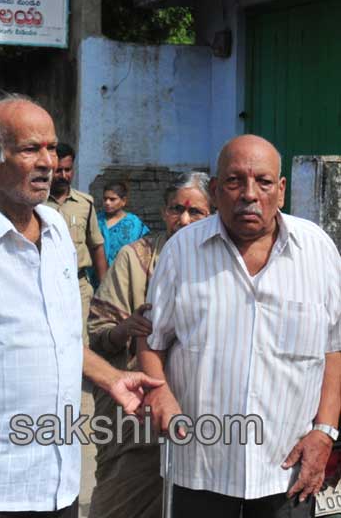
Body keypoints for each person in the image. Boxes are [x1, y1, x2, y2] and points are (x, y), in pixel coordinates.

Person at [0, 93, 164, 517]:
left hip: (58, 482)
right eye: (30, 149)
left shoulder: (59, 231)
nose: (48, 161)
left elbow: (59, 339)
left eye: (51, 147)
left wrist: (112, 379)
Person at [139, 135, 341, 517]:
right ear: (215, 190)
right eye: (234, 181)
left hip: (288, 472)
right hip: (200, 469)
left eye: (263, 182)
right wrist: (160, 393)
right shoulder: (181, 251)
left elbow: (333, 349)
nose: (249, 194)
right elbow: (152, 341)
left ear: (281, 190)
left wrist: (325, 432)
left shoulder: (318, 250)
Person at [85, 171, 211, 518]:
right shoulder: (135, 258)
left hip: (200, 413)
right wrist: (125, 329)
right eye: (176, 209)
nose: (183, 220)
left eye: (195, 212)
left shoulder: (222, 264)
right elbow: (96, 334)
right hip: (136, 416)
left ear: (212, 214)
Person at [45, 142, 108, 338]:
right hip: (46, 284)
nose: (64, 176)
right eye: (58, 171)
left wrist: (104, 289)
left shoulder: (85, 203)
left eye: (68, 170)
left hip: (78, 284)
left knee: (80, 343)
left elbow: (96, 246)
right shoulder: (35, 204)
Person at [97, 181, 149, 267]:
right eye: (105, 199)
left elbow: (144, 249)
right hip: (98, 274)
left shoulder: (134, 223)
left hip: (125, 272)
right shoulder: (96, 220)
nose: (107, 203)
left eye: (112, 199)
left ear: (123, 201)